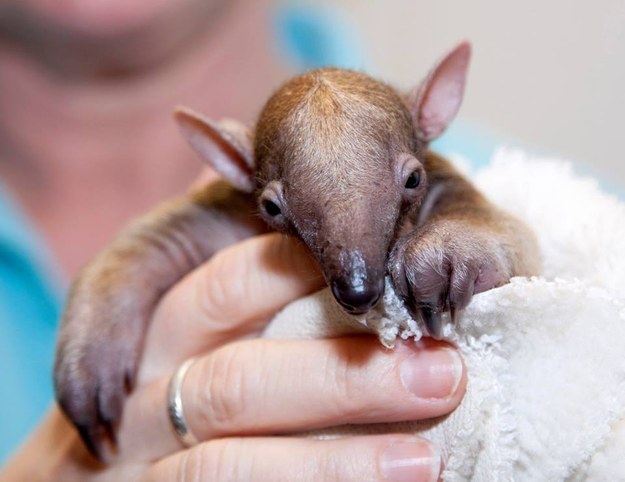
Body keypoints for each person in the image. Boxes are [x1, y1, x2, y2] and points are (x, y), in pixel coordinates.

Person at [0, 0, 467, 480]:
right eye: (274, 209)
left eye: (411, 183)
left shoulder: (522, 183)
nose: (357, 285)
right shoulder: (206, 218)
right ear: (232, 164)